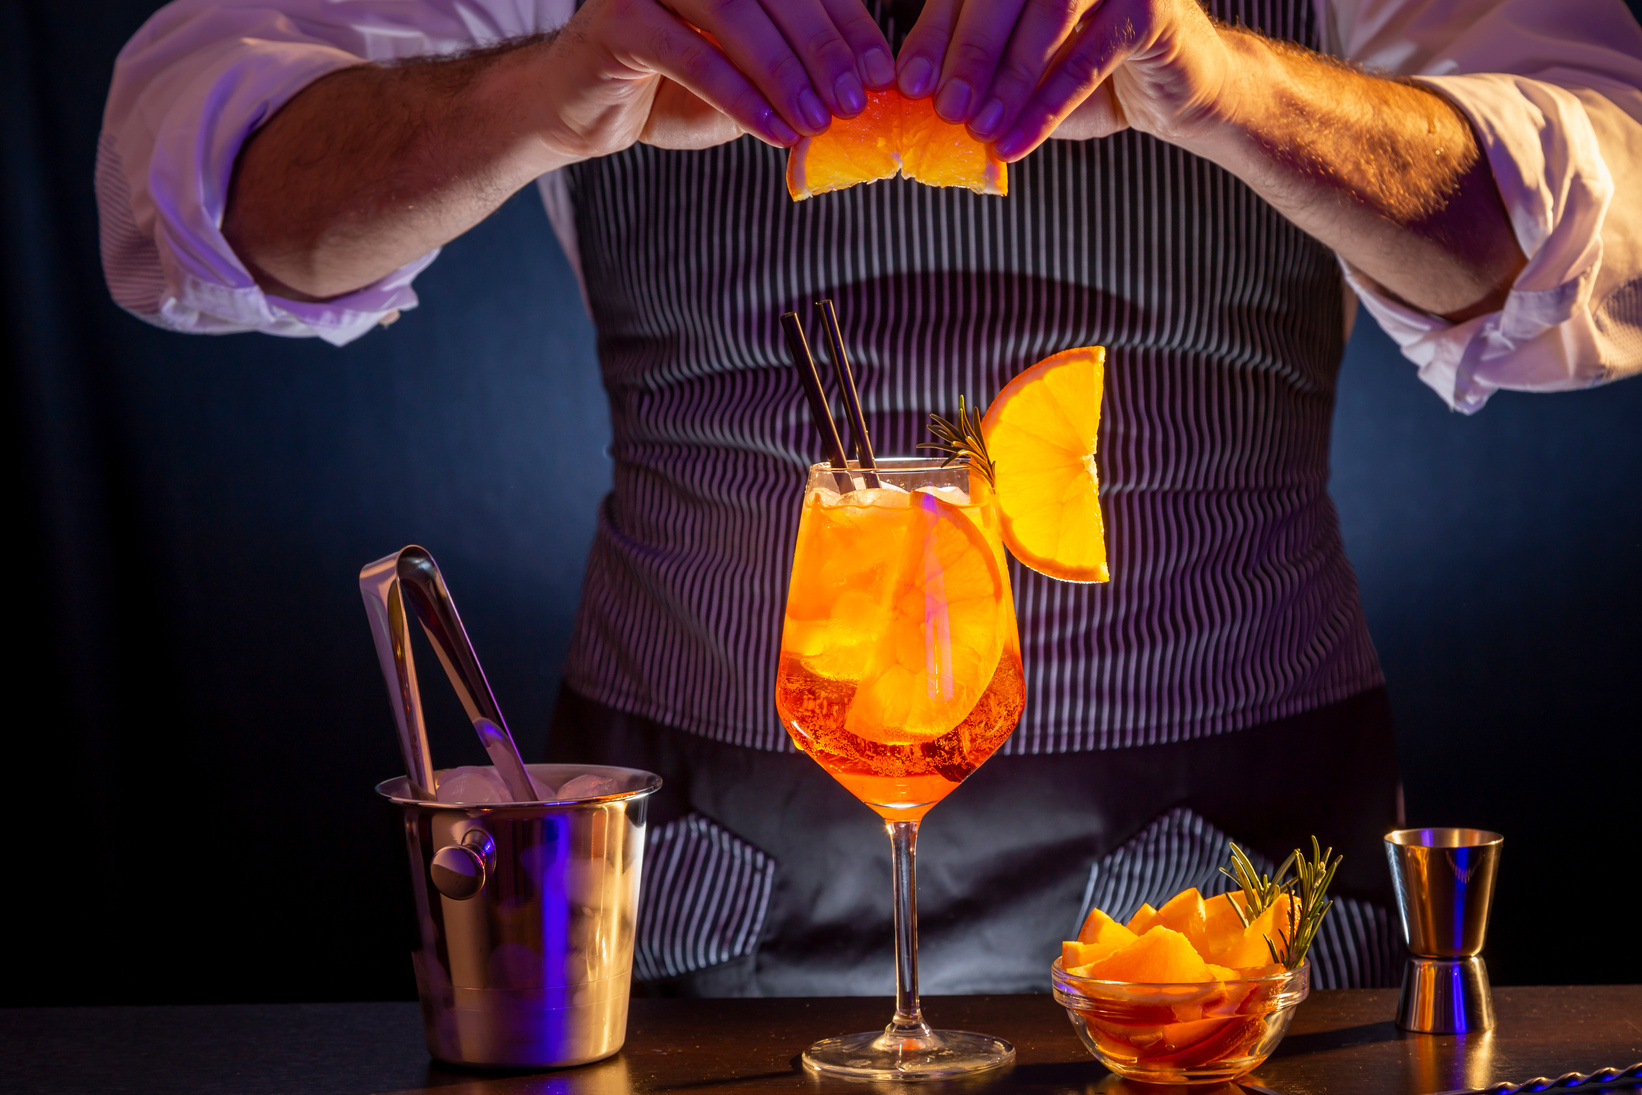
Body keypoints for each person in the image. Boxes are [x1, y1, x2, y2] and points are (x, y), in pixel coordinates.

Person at [99, 0, 1642, 995]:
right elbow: (199, 208)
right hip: (689, 878)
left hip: (1246, 888)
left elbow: (1613, 228)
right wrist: (548, 90)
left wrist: (1225, 81)